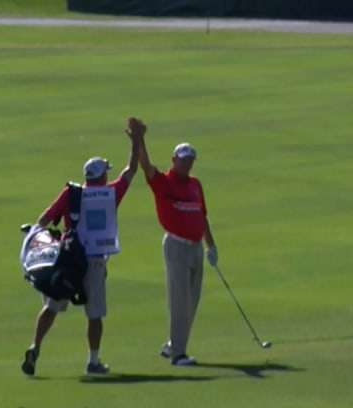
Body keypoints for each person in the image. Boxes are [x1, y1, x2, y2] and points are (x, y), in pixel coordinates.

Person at [21, 119, 143, 376]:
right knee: (94, 314)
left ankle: (35, 346)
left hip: (67, 259)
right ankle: (92, 362)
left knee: (51, 306)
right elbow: (131, 170)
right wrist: (136, 140)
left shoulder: (71, 194)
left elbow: (43, 220)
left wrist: (33, 238)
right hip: (95, 260)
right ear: (103, 176)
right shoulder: (110, 193)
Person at [136, 124, 217, 366]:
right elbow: (145, 166)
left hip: (195, 248)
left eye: (190, 160)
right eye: (183, 160)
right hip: (176, 246)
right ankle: (178, 353)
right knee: (179, 298)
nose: (187, 164)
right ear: (174, 160)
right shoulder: (163, 182)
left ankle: (174, 343)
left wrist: (210, 246)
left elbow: (201, 216)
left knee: (193, 298)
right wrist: (139, 140)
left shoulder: (195, 184)